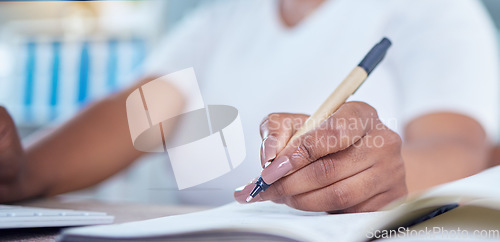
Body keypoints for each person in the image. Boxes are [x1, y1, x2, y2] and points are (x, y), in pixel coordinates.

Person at [0, 0, 498, 212]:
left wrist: (389, 172)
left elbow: (459, 149)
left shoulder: (434, 11)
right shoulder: (219, 22)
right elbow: (134, 115)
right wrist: (17, 168)